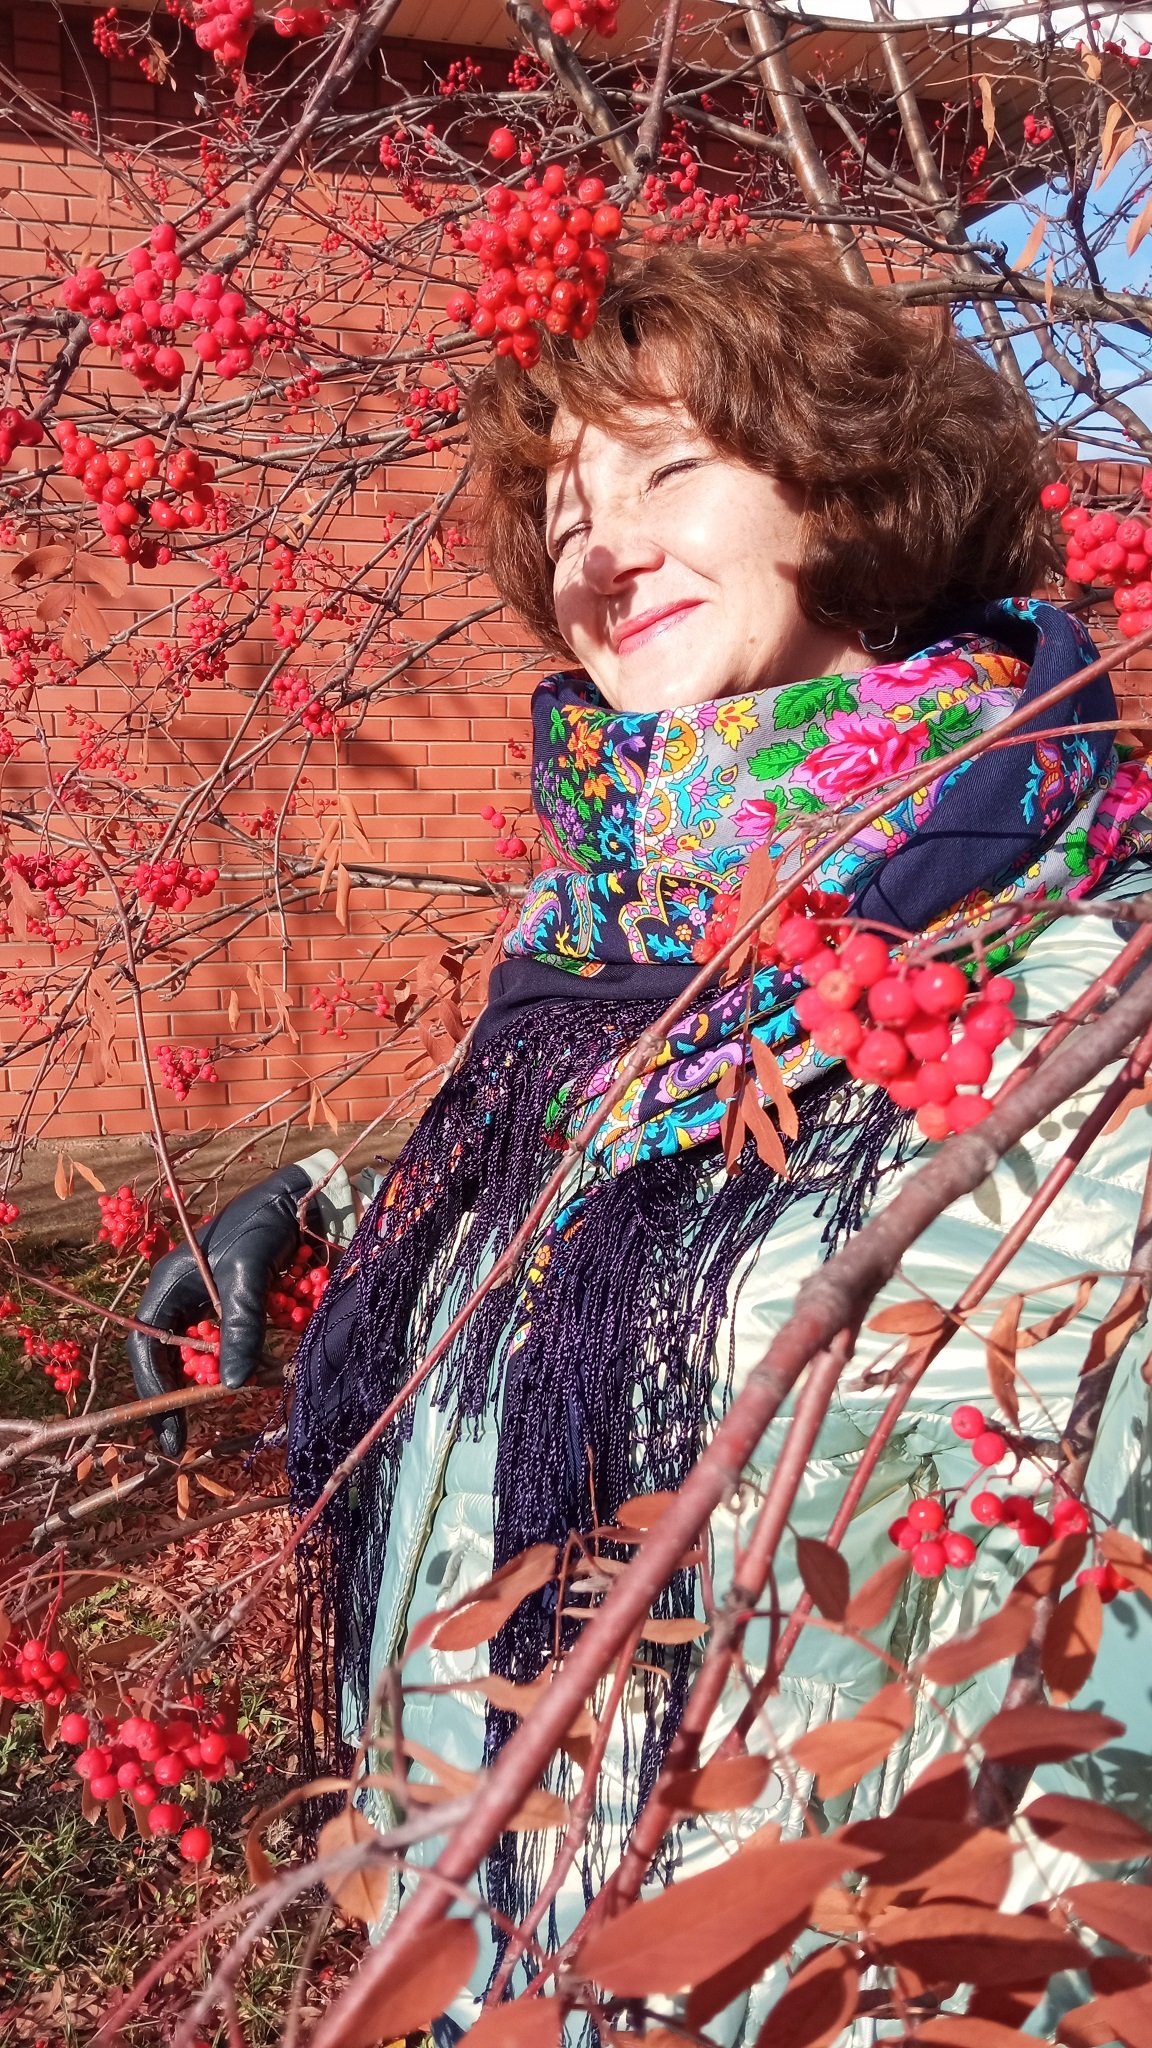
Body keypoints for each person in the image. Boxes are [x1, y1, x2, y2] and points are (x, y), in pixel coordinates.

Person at [129, 241, 1152, 2043]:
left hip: (872, 1969)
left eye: (668, 469)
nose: (598, 554)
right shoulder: (602, 940)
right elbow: (651, 1187)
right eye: (562, 515)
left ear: (850, 486)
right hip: (513, 1932)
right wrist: (347, 1216)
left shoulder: (1090, 976)